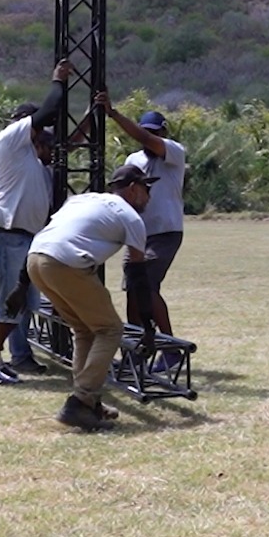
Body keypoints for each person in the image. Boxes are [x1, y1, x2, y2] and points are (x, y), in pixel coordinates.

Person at [24, 162, 156, 430]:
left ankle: (90, 401)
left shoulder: (83, 200)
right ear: (133, 189)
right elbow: (138, 275)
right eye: (147, 188)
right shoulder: (131, 217)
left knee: (85, 330)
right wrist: (147, 324)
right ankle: (80, 401)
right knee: (110, 330)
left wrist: (20, 285)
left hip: (35, 259)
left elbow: (53, 234)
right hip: (64, 263)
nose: (149, 196)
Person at [0, 59, 69, 385]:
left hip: (20, 237)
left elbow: (61, 141)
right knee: (8, 303)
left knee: (22, 303)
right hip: (5, 233)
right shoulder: (11, 139)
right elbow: (51, 109)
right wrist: (58, 80)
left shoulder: (33, 161)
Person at [96, 93, 186, 371]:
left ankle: (170, 348)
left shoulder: (174, 151)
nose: (148, 138)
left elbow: (147, 142)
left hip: (165, 231)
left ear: (163, 133)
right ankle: (137, 349)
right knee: (133, 291)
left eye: (154, 133)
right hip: (137, 233)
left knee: (146, 284)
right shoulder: (133, 158)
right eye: (146, 132)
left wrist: (114, 115)